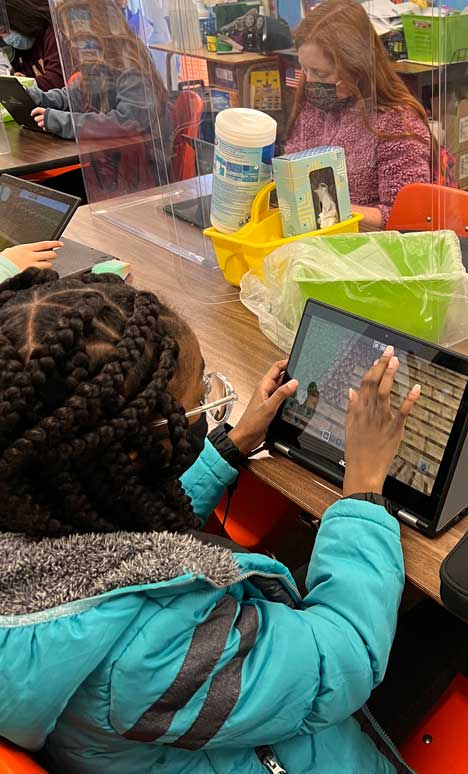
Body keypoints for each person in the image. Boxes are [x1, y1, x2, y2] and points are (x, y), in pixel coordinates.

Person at [0, 268, 422, 773]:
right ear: (134, 452)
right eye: (199, 398)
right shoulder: (152, 651)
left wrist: (230, 444)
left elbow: (120, 541)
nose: (207, 407)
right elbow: (345, 660)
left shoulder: (34, 503)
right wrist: (364, 491)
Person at [285, 0, 432, 228]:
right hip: (317, 243)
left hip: (371, 251)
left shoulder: (397, 124)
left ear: (357, 67)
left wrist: (333, 210)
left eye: (321, 74)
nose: (310, 82)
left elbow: (407, 217)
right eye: (305, 69)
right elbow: (292, 171)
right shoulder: (314, 107)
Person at [27, 0, 172, 197]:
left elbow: (127, 122)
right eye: (71, 39)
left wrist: (64, 122)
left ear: (102, 31)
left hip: (141, 175)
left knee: (45, 196)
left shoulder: (132, 68)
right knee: (40, 194)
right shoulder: (98, 64)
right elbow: (75, 97)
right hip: (110, 167)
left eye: (79, 38)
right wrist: (40, 98)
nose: (74, 45)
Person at [0, 0, 64, 91]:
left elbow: (55, 82)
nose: (6, 39)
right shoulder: (23, 49)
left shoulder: (56, 30)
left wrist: (24, 85)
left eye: (4, 32)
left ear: (20, 19)